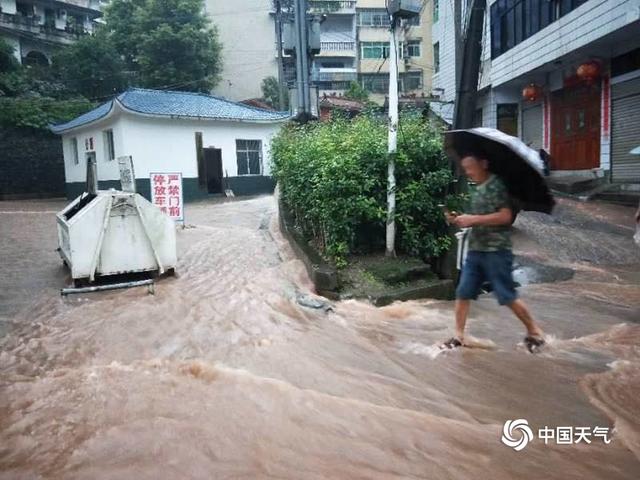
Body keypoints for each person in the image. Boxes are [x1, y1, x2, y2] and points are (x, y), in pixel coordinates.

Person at [442, 153, 546, 353]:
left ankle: (534, 331)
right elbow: (477, 217)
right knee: (463, 291)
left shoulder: (497, 186)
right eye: (466, 169)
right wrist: (459, 218)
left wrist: (472, 220)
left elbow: (505, 216)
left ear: (484, 163)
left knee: (506, 295)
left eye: (471, 168)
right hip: (476, 251)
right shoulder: (478, 188)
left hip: (496, 252)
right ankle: (459, 336)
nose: (468, 173)